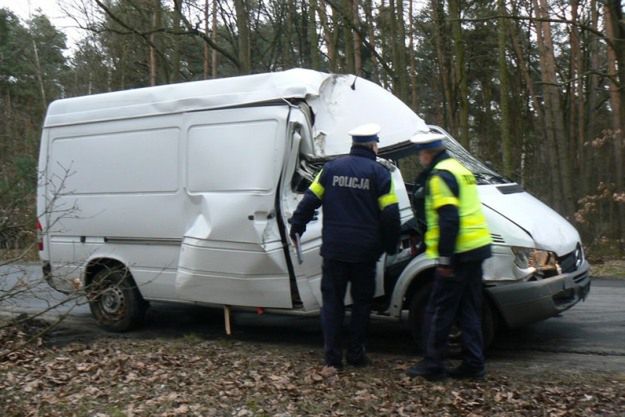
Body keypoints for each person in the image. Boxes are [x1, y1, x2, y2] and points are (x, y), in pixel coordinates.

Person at [289, 123, 401, 370]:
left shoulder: (330, 170)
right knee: (361, 305)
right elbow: (391, 214)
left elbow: (310, 201)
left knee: (333, 304)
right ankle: (356, 355)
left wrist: (297, 226)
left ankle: (332, 358)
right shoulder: (380, 174)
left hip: (335, 251)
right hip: (365, 254)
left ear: (353, 144)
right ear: (373, 145)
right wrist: (390, 245)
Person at [405, 134, 492, 381]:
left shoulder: (439, 176)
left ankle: (433, 365)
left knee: (439, 308)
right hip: (477, 248)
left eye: (420, 153)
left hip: (458, 253)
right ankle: (474, 364)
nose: (420, 158)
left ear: (427, 153)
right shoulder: (459, 168)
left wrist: (445, 259)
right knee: (468, 309)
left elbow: (449, 218)